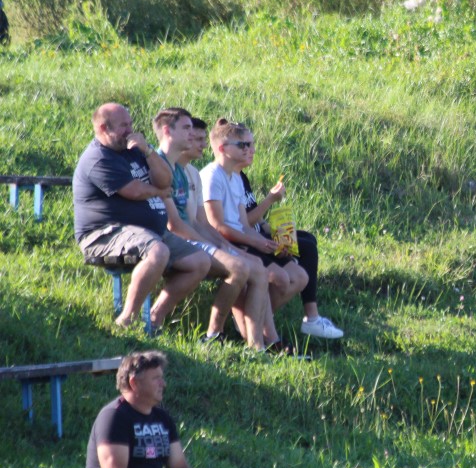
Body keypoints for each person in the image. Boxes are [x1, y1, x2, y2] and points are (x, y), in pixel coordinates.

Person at [73, 103, 210, 334]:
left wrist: (147, 151)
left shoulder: (133, 150)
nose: (130, 130)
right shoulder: (98, 157)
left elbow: (165, 179)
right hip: (105, 233)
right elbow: (133, 191)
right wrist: (159, 192)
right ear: (104, 128)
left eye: (130, 124)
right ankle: (127, 320)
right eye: (123, 126)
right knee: (158, 252)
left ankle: (155, 319)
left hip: (148, 232)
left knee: (200, 262)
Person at [200, 119, 341, 339]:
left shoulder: (235, 177)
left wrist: (266, 241)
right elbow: (217, 226)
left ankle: (253, 325)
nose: (250, 149)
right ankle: (259, 334)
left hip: (242, 240)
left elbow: (244, 224)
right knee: (281, 277)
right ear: (222, 148)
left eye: (250, 144)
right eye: (243, 145)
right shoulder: (211, 175)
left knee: (300, 275)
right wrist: (257, 240)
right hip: (226, 244)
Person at [153, 108, 271, 350]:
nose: (200, 142)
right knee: (239, 268)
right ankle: (213, 333)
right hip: (169, 240)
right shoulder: (163, 167)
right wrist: (214, 245)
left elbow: (201, 222)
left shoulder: (187, 172)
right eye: (189, 132)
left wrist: (223, 245)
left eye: (198, 135)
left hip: (191, 238)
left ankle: (257, 346)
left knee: (257, 268)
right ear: (168, 131)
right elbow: (175, 224)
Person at [83, 350, 239, 468]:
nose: (163, 384)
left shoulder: (162, 418)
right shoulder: (114, 416)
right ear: (134, 383)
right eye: (156, 379)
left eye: (162, 378)